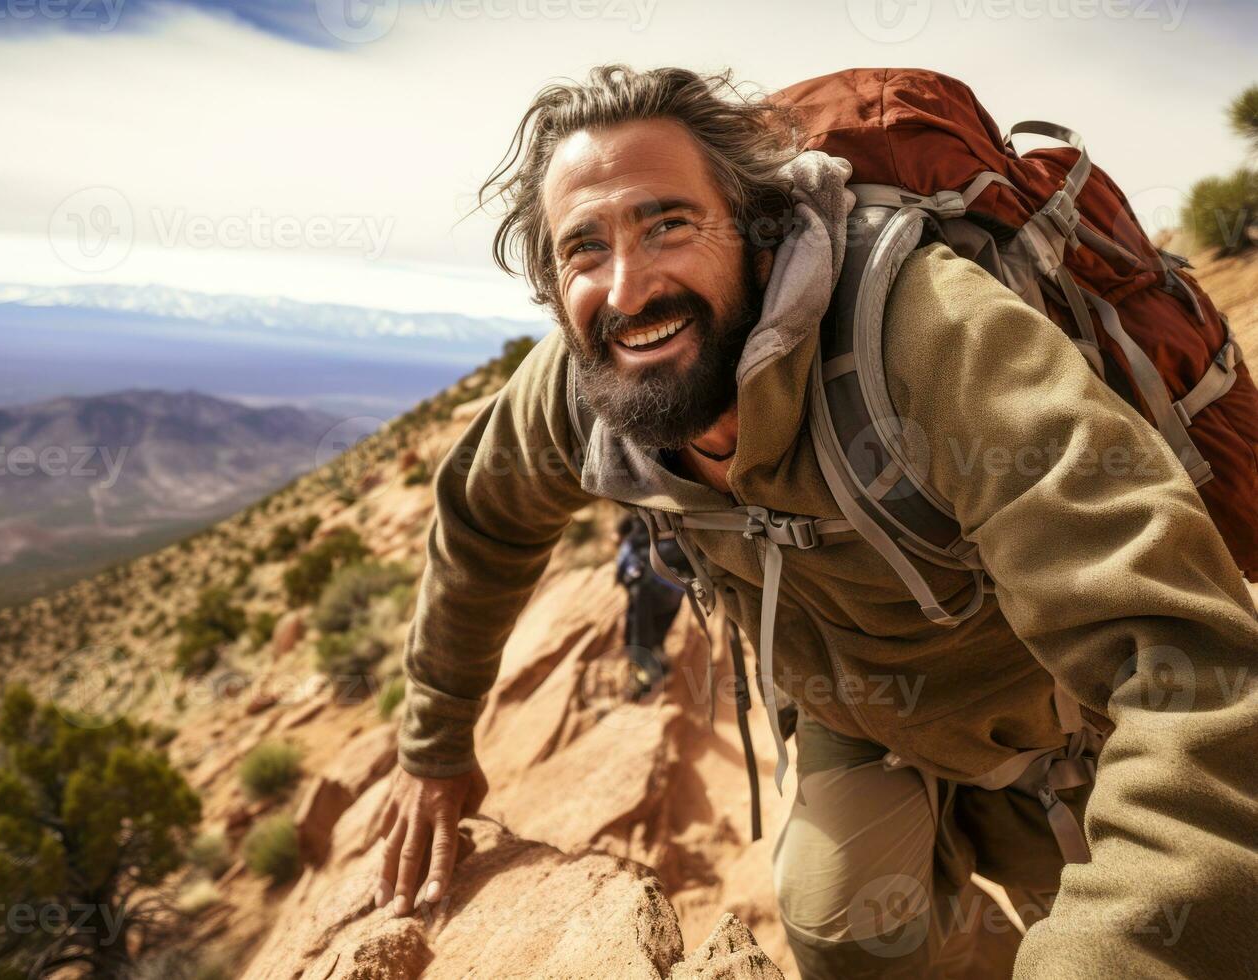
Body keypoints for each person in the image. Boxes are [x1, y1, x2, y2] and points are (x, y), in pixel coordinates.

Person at [369, 65, 1258, 978]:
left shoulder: (928, 334)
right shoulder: (582, 388)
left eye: (667, 223)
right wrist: (436, 740)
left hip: (1058, 709)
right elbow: (480, 519)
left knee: (1135, 921)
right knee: (842, 927)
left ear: (757, 235)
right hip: (861, 708)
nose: (627, 289)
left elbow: (1191, 665)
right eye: (583, 248)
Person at [614, 512, 688, 699]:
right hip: (673, 586)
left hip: (649, 586)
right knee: (656, 630)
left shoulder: (635, 535)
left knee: (640, 633)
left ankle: (641, 678)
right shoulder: (658, 522)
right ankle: (655, 663)